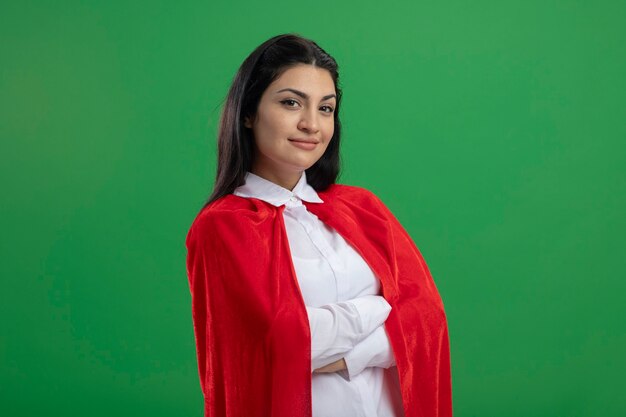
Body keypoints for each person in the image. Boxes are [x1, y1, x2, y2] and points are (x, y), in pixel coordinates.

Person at [185, 33, 452, 417]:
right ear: (248, 112)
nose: (311, 124)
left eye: (325, 108)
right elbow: (276, 346)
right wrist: (379, 310)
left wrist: (344, 356)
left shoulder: (363, 208)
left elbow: (428, 322)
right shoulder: (223, 227)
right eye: (291, 103)